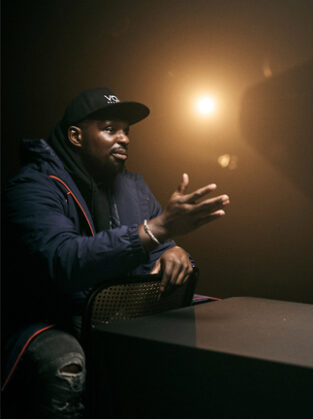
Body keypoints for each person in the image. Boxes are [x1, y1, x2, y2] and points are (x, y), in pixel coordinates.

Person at [1, 88, 230, 418]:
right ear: (76, 136)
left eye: (127, 131)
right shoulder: (32, 186)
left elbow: (159, 245)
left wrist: (176, 253)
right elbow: (61, 261)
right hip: (53, 316)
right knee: (64, 363)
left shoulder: (133, 186)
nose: (124, 138)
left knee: (225, 326)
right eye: (110, 129)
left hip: (118, 313)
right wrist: (157, 231)